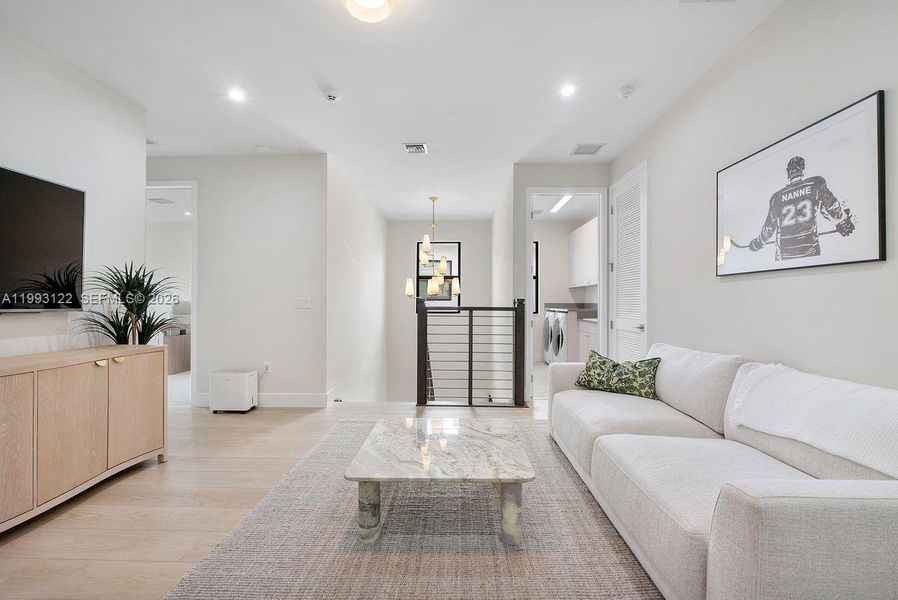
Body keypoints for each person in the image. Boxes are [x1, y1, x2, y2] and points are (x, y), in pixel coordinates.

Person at [749, 156, 854, 260]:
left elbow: (769, 228)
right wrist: (842, 221)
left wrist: (759, 242)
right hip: (810, 249)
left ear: (788, 173)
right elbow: (832, 208)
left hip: (785, 252)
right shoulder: (815, 184)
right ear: (802, 169)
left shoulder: (777, 197)